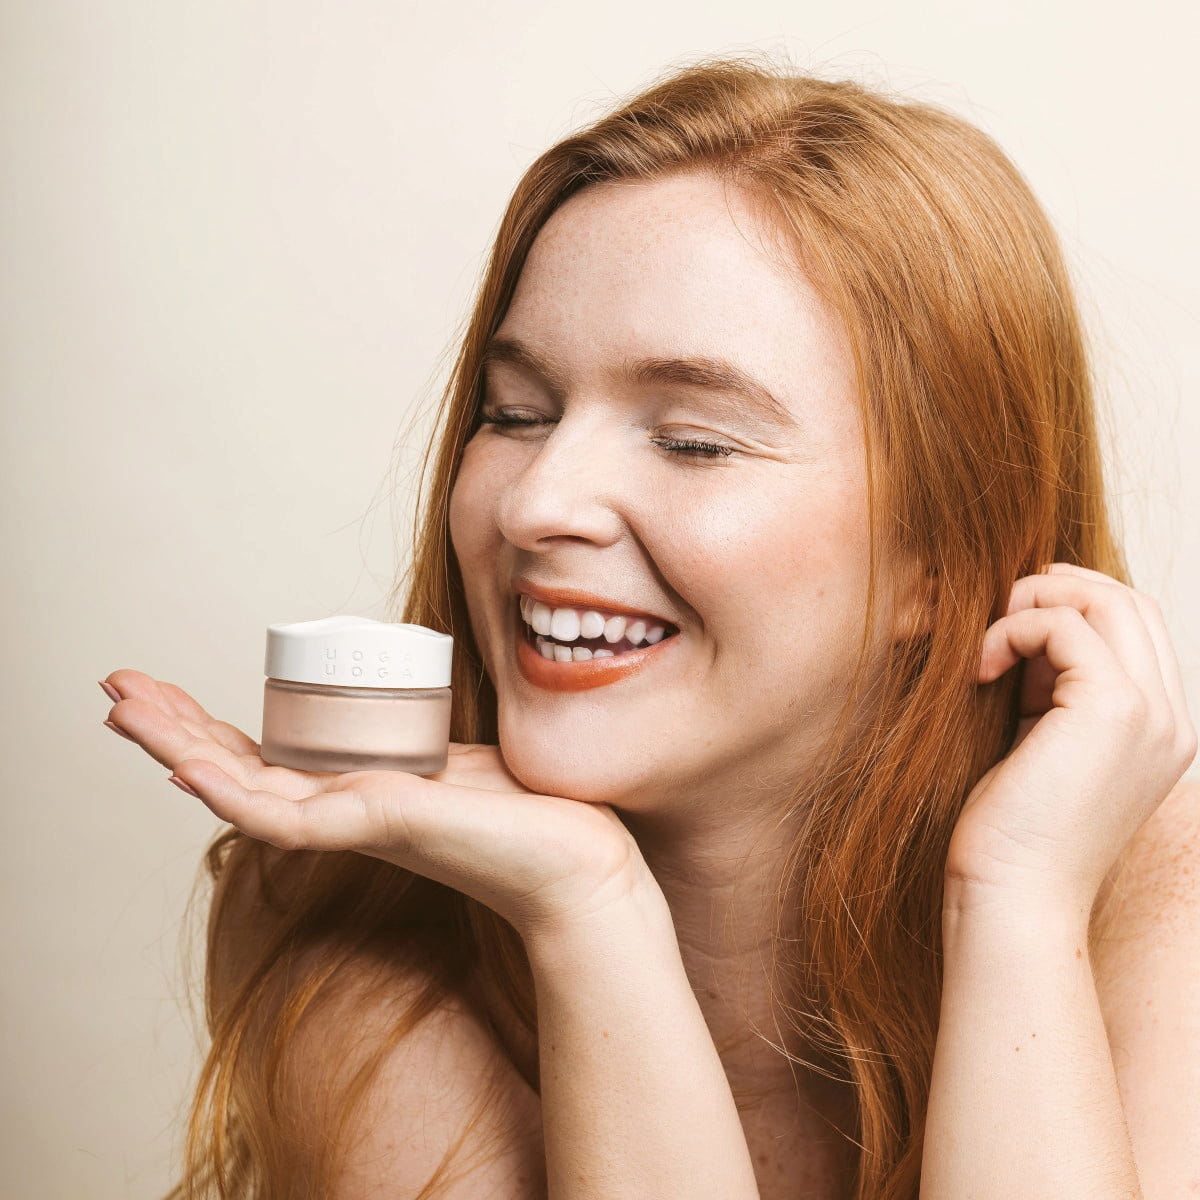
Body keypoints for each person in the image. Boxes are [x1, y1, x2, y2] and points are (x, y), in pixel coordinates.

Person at [99, 52, 1198, 1200]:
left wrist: (1015, 902)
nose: (534, 505)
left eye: (692, 441)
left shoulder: (1165, 899)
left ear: (941, 560)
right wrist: (589, 913)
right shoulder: (344, 911)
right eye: (515, 413)